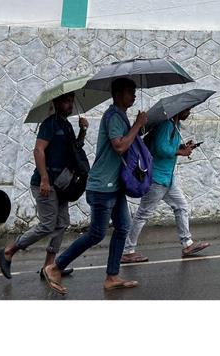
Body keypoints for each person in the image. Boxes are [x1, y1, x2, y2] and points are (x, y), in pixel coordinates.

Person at [42, 78, 147, 293]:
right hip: (102, 186)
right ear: (118, 94)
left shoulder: (121, 116)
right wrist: (137, 125)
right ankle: (55, 267)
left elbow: (127, 144)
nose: (134, 96)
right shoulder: (113, 116)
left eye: (134, 92)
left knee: (123, 227)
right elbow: (119, 146)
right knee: (96, 233)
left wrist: (139, 127)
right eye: (130, 91)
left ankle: (112, 276)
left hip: (114, 184)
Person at [0, 93, 87, 280]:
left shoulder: (67, 125)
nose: (69, 104)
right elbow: (38, 150)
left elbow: (74, 151)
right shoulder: (49, 124)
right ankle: (8, 251)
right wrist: (45, 179)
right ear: (56, 103)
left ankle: (49, 266)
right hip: (45, 184)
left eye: (71, 101)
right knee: (47, 224)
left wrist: (83, 131)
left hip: (61, 185)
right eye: (65, 101)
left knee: (62, 223)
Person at [121, 107, 209, 263]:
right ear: (178, 110)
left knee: (181, 206)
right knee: (143, 214)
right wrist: (180, 152)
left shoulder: (175, 126)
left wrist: (182, 147)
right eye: (187, 110)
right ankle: (127, 250)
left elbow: (169, 147)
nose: (189, 112)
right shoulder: (166, 125)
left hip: (168, 179)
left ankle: (187, 243)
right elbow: (160, 148)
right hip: (157, 178)